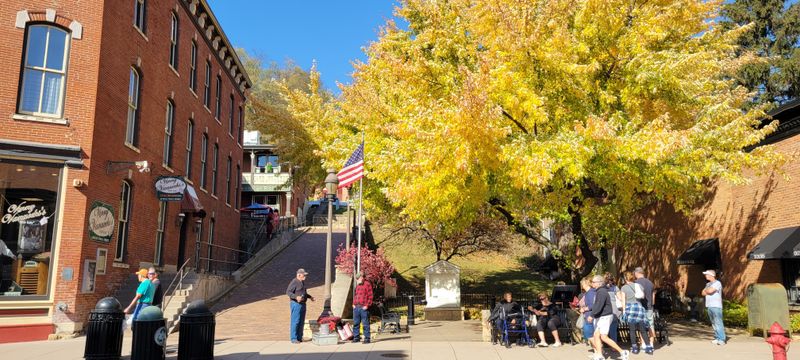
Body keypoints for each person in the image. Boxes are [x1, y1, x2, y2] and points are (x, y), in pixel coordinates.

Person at [588, 275, 629, 360]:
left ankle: (622, 352)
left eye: (593, 282)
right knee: (596, 335)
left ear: (598, 283)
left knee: (604, 337)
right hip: (602, 316)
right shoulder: (600, 291)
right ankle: (599, 355)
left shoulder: (601, 292)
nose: (592, 283)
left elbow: (599, 305)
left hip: (605, 317)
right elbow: (598, 305)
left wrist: (592, 315)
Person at [620, 271, 653, 355]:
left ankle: (635, 347)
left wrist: (624, 312)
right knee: (642, 330)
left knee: (632, 330)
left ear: (625, 278)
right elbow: (642, 296)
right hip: (639, 308)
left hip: (630, 308)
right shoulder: (639, 286)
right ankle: (648, 347)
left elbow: (623, 301)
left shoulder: (624, 288)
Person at [286, 268, 314, 343]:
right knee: (295, 321)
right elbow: (288, 292)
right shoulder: (294, 281)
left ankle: (299, 337)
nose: (305, 276)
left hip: (303, 304)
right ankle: (293, 338)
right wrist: (296, 297)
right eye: (304, 275)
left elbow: (303, 293)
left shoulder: (302, 282)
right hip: (296, 304)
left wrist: (310, 297)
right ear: (299, 275)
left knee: (301, 321)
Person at [701, 270, 726, 345]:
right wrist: (707, 290)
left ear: (711, 275)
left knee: (718, 322)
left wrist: (707, 290)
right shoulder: (708, 284)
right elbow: (702, 293)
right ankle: (717, 337)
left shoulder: (717, 283)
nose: (705, 276)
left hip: (716, 306)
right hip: (709, 306)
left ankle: (722, 339)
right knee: (714, 323)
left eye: (707, 274)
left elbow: (710, 291)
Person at [634, 267, 656, 345]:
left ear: (637, 273)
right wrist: (652, 305)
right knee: (651, 325)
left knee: (641, 326)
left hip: (640, 307)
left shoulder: (635, 283)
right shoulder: (650, 283)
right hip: (649, 307)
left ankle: (643, 344)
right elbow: (653, 296)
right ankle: (651, 343)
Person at [352, 273, 373, 344]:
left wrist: (367, 305)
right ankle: (356, 337)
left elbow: (370, 296)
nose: (357, 280)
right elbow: (356, 295)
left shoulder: (367, 284)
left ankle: (367, 338)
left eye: (358, 279)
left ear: (362, 277)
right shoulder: (358, 286)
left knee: (365, 323)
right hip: (356, 307)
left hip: (363, 307)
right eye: (357, 279)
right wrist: (353, 304)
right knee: (356, 323)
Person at [580, 276, 597, 346]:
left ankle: (600, 350)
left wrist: (584, 309)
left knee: (589, 335)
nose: (581, 285)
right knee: (591, 335)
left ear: (586, 283)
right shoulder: (589, 292)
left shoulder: (590, 293)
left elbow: (592, 305)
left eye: (582, 283)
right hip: (589, 315)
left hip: (590, 316)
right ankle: (597, 351)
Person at [604, 272, 621, 343]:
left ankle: (605, 343)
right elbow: (620, 298)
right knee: (613, 329)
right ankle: (614, 345)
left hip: (605, 309)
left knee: (604, 328)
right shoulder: (615, 288)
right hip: (614, 309)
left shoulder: (602, 288)